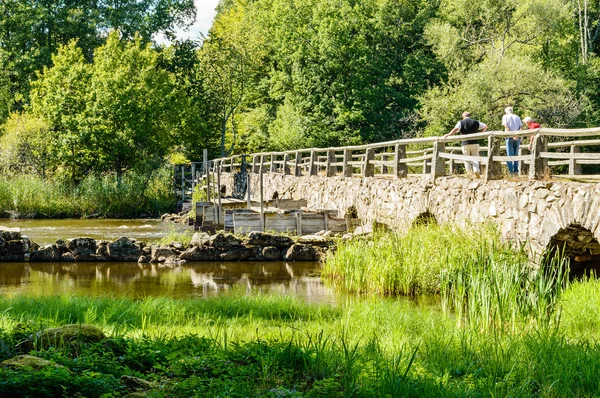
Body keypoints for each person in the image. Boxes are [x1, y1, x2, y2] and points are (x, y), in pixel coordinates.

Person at [443, 112, 488, 177]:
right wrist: (480, 134)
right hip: (475, 142)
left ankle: (469, 173)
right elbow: (485, 126)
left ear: (463, 117)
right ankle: (476, 171)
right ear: (469, 116)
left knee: (466, 158)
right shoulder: (476, 122)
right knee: (475, 157)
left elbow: (456, 129)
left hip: (465, 143)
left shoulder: (461, 122)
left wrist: (449, 134)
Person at [502, 107, 522, 175]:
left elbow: (506, 126)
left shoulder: (505, 116)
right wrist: (517, 135)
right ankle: (516, 171)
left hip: (509, 137)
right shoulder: (517, 117)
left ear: (506, 112)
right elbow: (521, 127)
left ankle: (511, 171)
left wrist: (512, 135)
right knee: (516, 154)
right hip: (517, 137)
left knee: (509, 154)